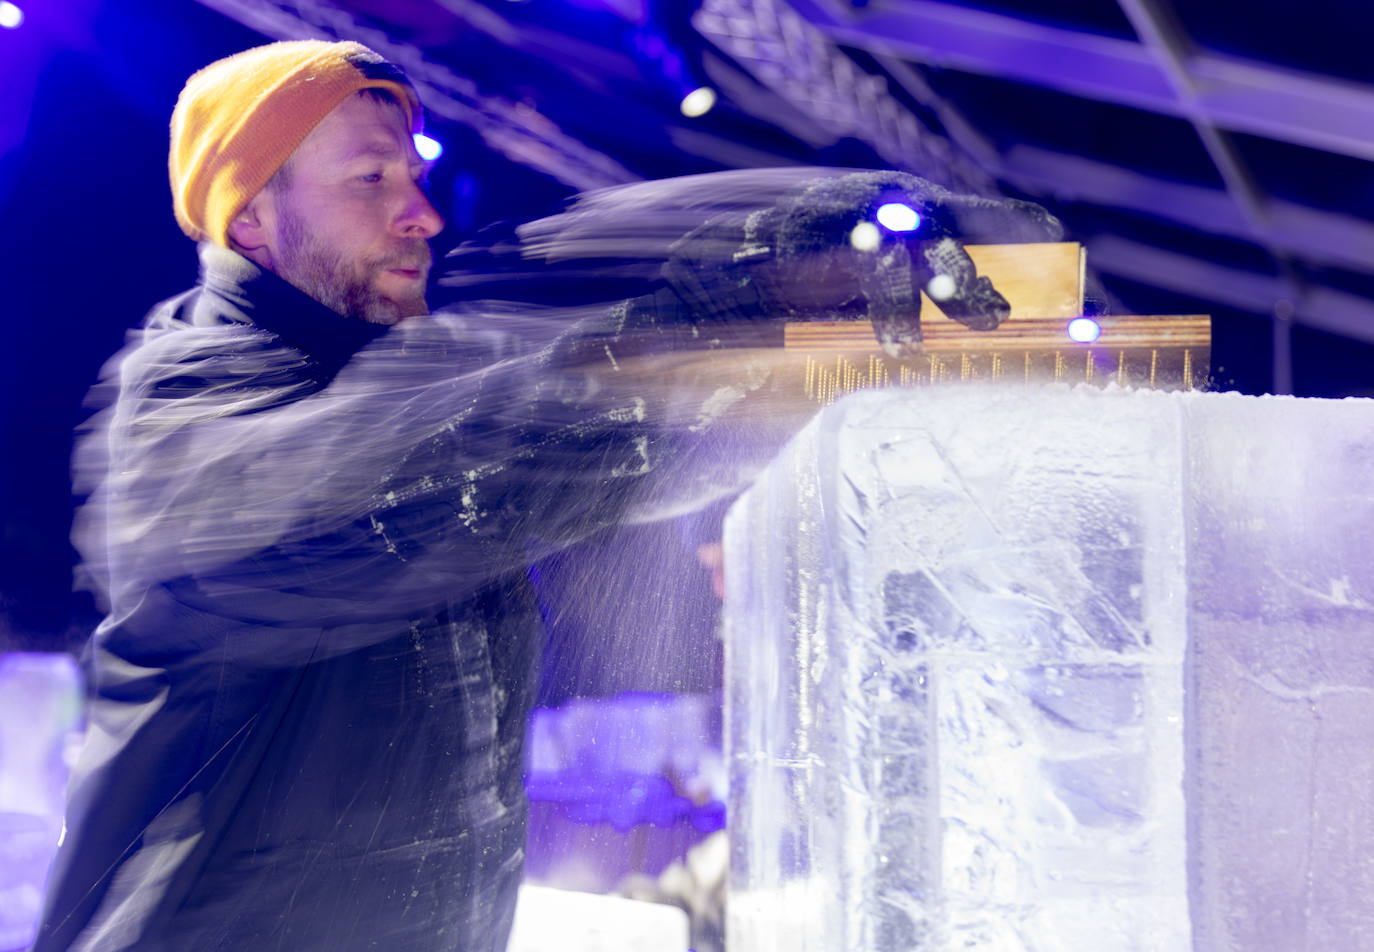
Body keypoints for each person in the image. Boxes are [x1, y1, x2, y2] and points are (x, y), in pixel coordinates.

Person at [33, 37, 1055, 952]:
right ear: (250, 220)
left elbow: (577, 358)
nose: (420, 213)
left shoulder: (415, 374)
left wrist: (798, 287)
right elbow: (439, 473)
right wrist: (730, 310)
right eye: (369, 178)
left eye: (416, 175)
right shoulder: (185, 418)